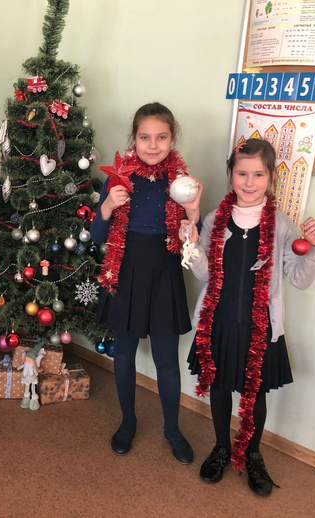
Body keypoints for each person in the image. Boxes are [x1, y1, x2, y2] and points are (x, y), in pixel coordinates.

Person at [183, 138, 315, 496]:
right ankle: (221, 447)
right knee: (219, 388)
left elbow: (299, 279)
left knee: (255, 393)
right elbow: (204, 274)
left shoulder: (282, 226)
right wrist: (192, 245)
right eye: (242, 173)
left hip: (260, 328)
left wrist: (314, 249)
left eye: (258, 174)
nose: (249, 182)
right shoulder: (215, 219)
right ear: (230, 174)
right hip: (218, 323)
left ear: (270, 177)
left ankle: (252, 453)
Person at [90, 102, 202, 463]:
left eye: (161, 137)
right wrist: (108, 206)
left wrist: (193, 213)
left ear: (172, 139)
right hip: (126, 270)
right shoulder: (119, 177)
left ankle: (173, 429)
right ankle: (128, 422)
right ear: (134, 139)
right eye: (144, 137)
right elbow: (97, 235)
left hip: (165, 273)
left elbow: (192, 238)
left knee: (167, 359)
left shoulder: (181, 182)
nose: (153, 145)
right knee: (123, 353)